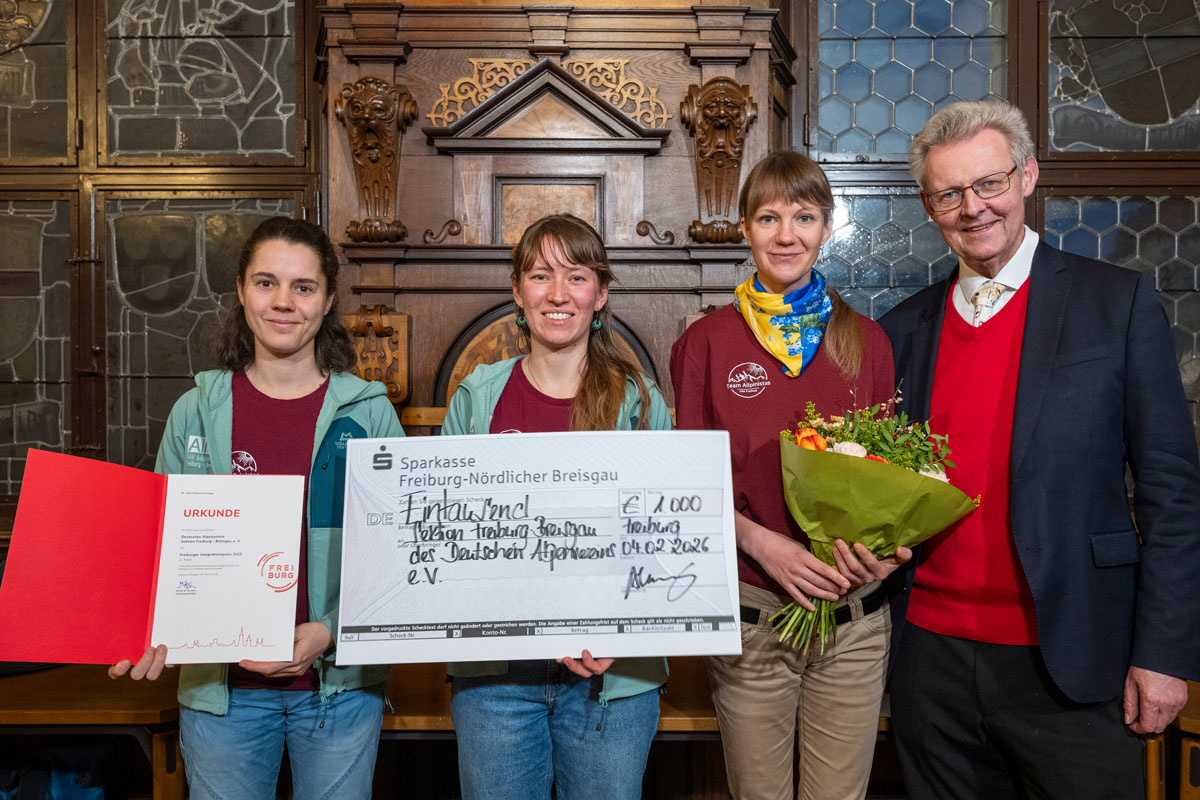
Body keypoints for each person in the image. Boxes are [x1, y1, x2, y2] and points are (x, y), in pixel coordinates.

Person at [879, 99, 1200, 799]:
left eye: (989, 183)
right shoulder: (902, 329)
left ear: (1026, 176)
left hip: (1076, 656)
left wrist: (1165, 654)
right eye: (949, 194)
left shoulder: (1116, 304)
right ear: (930, 207)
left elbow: (1173, 493)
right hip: (930, 659)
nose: (973, 208)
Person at [108, 216, 404, 799]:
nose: (283, 302)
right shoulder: (195, 411)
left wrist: (329, 633)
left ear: (328, 300)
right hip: (221, 694)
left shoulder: (369, 413)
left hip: (337, 691)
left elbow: (396, 557)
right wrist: (127, 633)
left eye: (303, 286)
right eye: (267, 283)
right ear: (241, 291)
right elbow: (157, 547)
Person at [670, 150, 908, 800]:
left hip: (853, 618)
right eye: (768, 217)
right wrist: (761, 542)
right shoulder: (705, 343)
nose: (786, 235)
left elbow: (886, 478)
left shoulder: (867, 341)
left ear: (827, 226)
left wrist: (885, 549)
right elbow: (687, 488)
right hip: (754, 618)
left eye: (803, 217)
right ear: (745, 228)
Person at [441, 213, 671, 800]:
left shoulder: (640, 400)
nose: (558, 294)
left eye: (577, 276)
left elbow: (664, 539)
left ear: (601, 293)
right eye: (541, 276)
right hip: (495, 680)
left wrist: (622, 634)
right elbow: (447, 538)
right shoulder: (477, 397)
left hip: (611, 676)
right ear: (518, 292)